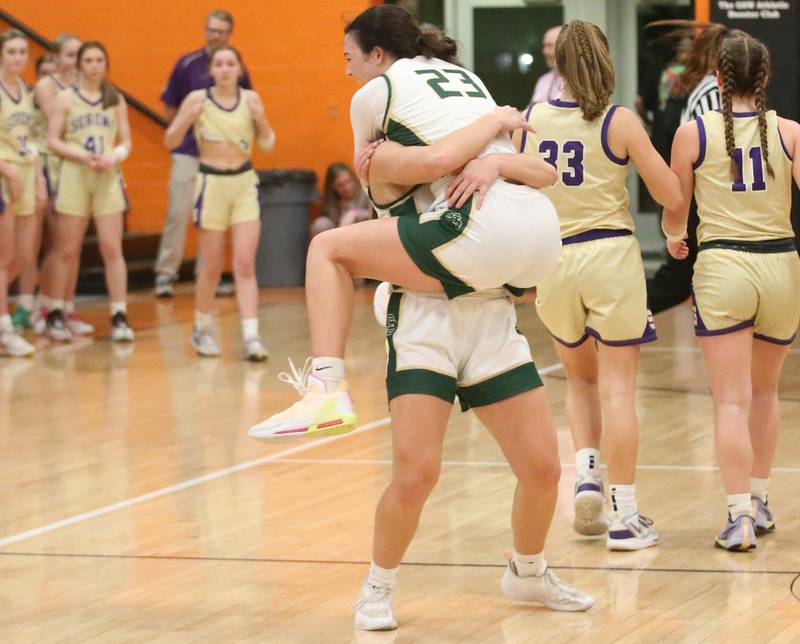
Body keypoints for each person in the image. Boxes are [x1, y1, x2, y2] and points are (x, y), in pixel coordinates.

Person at [248, 4, 565, 441]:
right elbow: (523, 165)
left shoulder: (374, 95)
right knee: (539, 470)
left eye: (349, 58)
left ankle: (325, 388)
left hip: (477, 235)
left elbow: (386, 193)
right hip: (543, 239)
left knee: (327, 248)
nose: (347, 71)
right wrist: (493, 122)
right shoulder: (467, 78)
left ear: (376, 54)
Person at [337, 120, 594, 630]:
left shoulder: (491, 148)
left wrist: (495, 159)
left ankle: (528, 570)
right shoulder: (394, 150)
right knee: (416, 473)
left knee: (543, 468)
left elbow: (546, 171)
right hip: (423, 316)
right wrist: (487, 136)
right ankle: (378, 585)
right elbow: (402, 171)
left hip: (491, 315)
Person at [520, 21, 682, 550]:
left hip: (553, 259)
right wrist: (675, 227)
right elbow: (669, 192)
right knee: (618, 389)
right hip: (608, 253)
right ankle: (625, 515)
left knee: (580, 381)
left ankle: (586, 473)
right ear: (606, 60)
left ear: (557, 65)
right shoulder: (620, 121)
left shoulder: (530, 118)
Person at [663, 33, 800, 551]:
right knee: (765, 394)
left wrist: (675, 239)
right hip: (780, 264)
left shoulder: (693, 134)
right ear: (765, 79)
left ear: (717, 80)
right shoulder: (789, 132)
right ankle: (761, 501)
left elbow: (676, 213)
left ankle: (738, 516)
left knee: (730, 402)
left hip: (723, 267)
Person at [164, 44, 274, 361]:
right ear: (210, 71)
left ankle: (252, 336)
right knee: (211, 266)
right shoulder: (197, 100)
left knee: (243, 262)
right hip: (210, 183)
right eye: (220, 64)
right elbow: (171, 141)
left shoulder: (251, 100)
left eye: (231, 64)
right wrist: (185, 119)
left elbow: (267, 144)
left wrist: (262, 119)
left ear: (240, 69)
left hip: (243, 183)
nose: (225, 69)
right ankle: (202, 328)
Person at [154, 9, 252, 298]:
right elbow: (170, 106)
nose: (215, 36)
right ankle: (165, 274)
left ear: (230, 34)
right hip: (188, 153)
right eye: (211, 30)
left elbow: (246, 106)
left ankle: (206, 274)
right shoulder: (187, 64)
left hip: (222, 159)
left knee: (214, 219)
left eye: (221, 31)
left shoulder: (237, 67)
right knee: (178, 213)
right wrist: (186, 126)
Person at [45, 41, 135, 343]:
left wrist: (114, 156)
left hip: (107, 177)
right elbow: (52, 141)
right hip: (75, 174)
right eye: (89, 60)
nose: (95, 65)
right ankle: (56, 311)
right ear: (79, 65)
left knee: (112, 248)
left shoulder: (114, 98)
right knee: (67, 249)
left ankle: (119, 315)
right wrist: (81, 156)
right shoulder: (66, 98)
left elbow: (126, 141)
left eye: (100, 60)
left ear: (106, 64)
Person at [646, 21, 729, 314]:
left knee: (680, 277)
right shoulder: (708, 91)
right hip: (692, 194)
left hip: (678, 187)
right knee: (677, 278)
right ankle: (618, 315)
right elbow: (711, 148)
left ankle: (619, 315)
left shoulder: (686, 82)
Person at [26, 34, 94, 339]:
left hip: (77, 165)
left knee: (73, 245)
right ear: (56, 57)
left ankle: (66, 308)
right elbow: (63, 125)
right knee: (59, 244)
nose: (75, 60)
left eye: (80, 54)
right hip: (49, 165)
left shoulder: (85, 88)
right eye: (70, 55)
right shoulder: (47, 86)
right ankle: (46, 308)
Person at [0, 29, 44, 358]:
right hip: (5, 173)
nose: (18, 57)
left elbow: (31, 138)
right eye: (12, 51)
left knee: (25, 257)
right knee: (4, 256)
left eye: (22, 52)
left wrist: (40, 177)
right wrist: (6, 167)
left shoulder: (26, 91)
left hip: (28, 170)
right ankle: (5, 330)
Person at [311, 162, 372, 237]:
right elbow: (330, 221)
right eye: (340, 185)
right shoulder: (331, 200)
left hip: (360, 232)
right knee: (320, 223)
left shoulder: (364, 192)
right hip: (337, 234)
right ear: (333, 187)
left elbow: (374, 214)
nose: (347, 188)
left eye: (348, 181)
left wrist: (355, 213)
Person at [530, 25, 563, 104]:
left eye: (549, 45)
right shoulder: (544, 80)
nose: (544, 51)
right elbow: (532, 111)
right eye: (544, 45)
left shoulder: (581, 81)